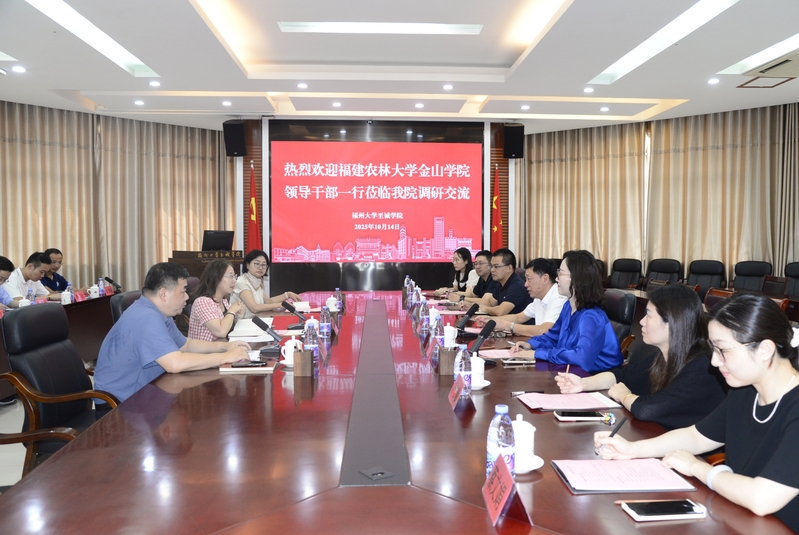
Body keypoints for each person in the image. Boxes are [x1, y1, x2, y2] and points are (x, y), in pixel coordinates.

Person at [595, 293, 799, 531]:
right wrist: (633, 449)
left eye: (723, 350)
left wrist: (697, 467)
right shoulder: (746, 391)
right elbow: (696, 436)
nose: (714, 362)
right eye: (714, 349)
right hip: (739, 519)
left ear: (765, 349)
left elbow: (762, 499)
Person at [556, 284, 726, 429]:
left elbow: (647, 409)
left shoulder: (702, 367)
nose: (642, 321)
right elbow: (620, 376)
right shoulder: (662, 357)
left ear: (672, 322)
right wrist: (583, 383)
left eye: (649, 315)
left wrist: (624, 395)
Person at [94, 262, 250, 403]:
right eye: (183, 291)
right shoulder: (146, 317)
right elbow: (175, 364)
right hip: (120, 405)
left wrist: (225, 347)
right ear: (163, 294)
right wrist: (225, 357)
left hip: (149, 391)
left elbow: (186, 345)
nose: (187, 297)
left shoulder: (160, 313)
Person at [510, 250, 622, 373]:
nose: (556, 279)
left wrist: (537, 353)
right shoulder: (568, 306)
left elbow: (580, 358)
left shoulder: (591, 316)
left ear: (577, 278)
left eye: (561, 273)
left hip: (595, 378)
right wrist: (530, 345)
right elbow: (553, 337)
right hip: (569, 372)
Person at [476, 258, 567, 338]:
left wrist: (508, 326)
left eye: (529, 279)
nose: (525, 284)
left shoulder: (559, 297)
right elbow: (518, 318)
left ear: (545, 278)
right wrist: (491, 320)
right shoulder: (538, 298)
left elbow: (545, 330)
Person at [229, 250, 300, 318]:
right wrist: (280, 305)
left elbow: (268, 302)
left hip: (256, 320)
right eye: (257, 264)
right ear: (247, 265)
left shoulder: (258, 281)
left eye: (263, 265)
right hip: (242, 323)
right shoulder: (242, 282)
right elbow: (254, 308)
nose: (260, 268)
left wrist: (288, 294)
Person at [188, 259, 246, 342]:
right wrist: (232, 310)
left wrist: (238, 315)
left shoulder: (223, 301)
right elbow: (221, 332)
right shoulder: (202, 302)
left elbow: (229, 329)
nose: (234, 280)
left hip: (223, 346)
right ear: (216, 278)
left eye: (234, 276)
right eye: (230, 276)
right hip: (206, 349)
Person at [479, 248, 532, 316]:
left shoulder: (516, 286)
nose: (492, 270)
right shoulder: (500, 283)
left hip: (518, 322)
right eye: (491, 266)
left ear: (509, 268)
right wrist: (471, 305)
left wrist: (486, 309)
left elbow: (500, 312)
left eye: (496, 266)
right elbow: (491, 303)